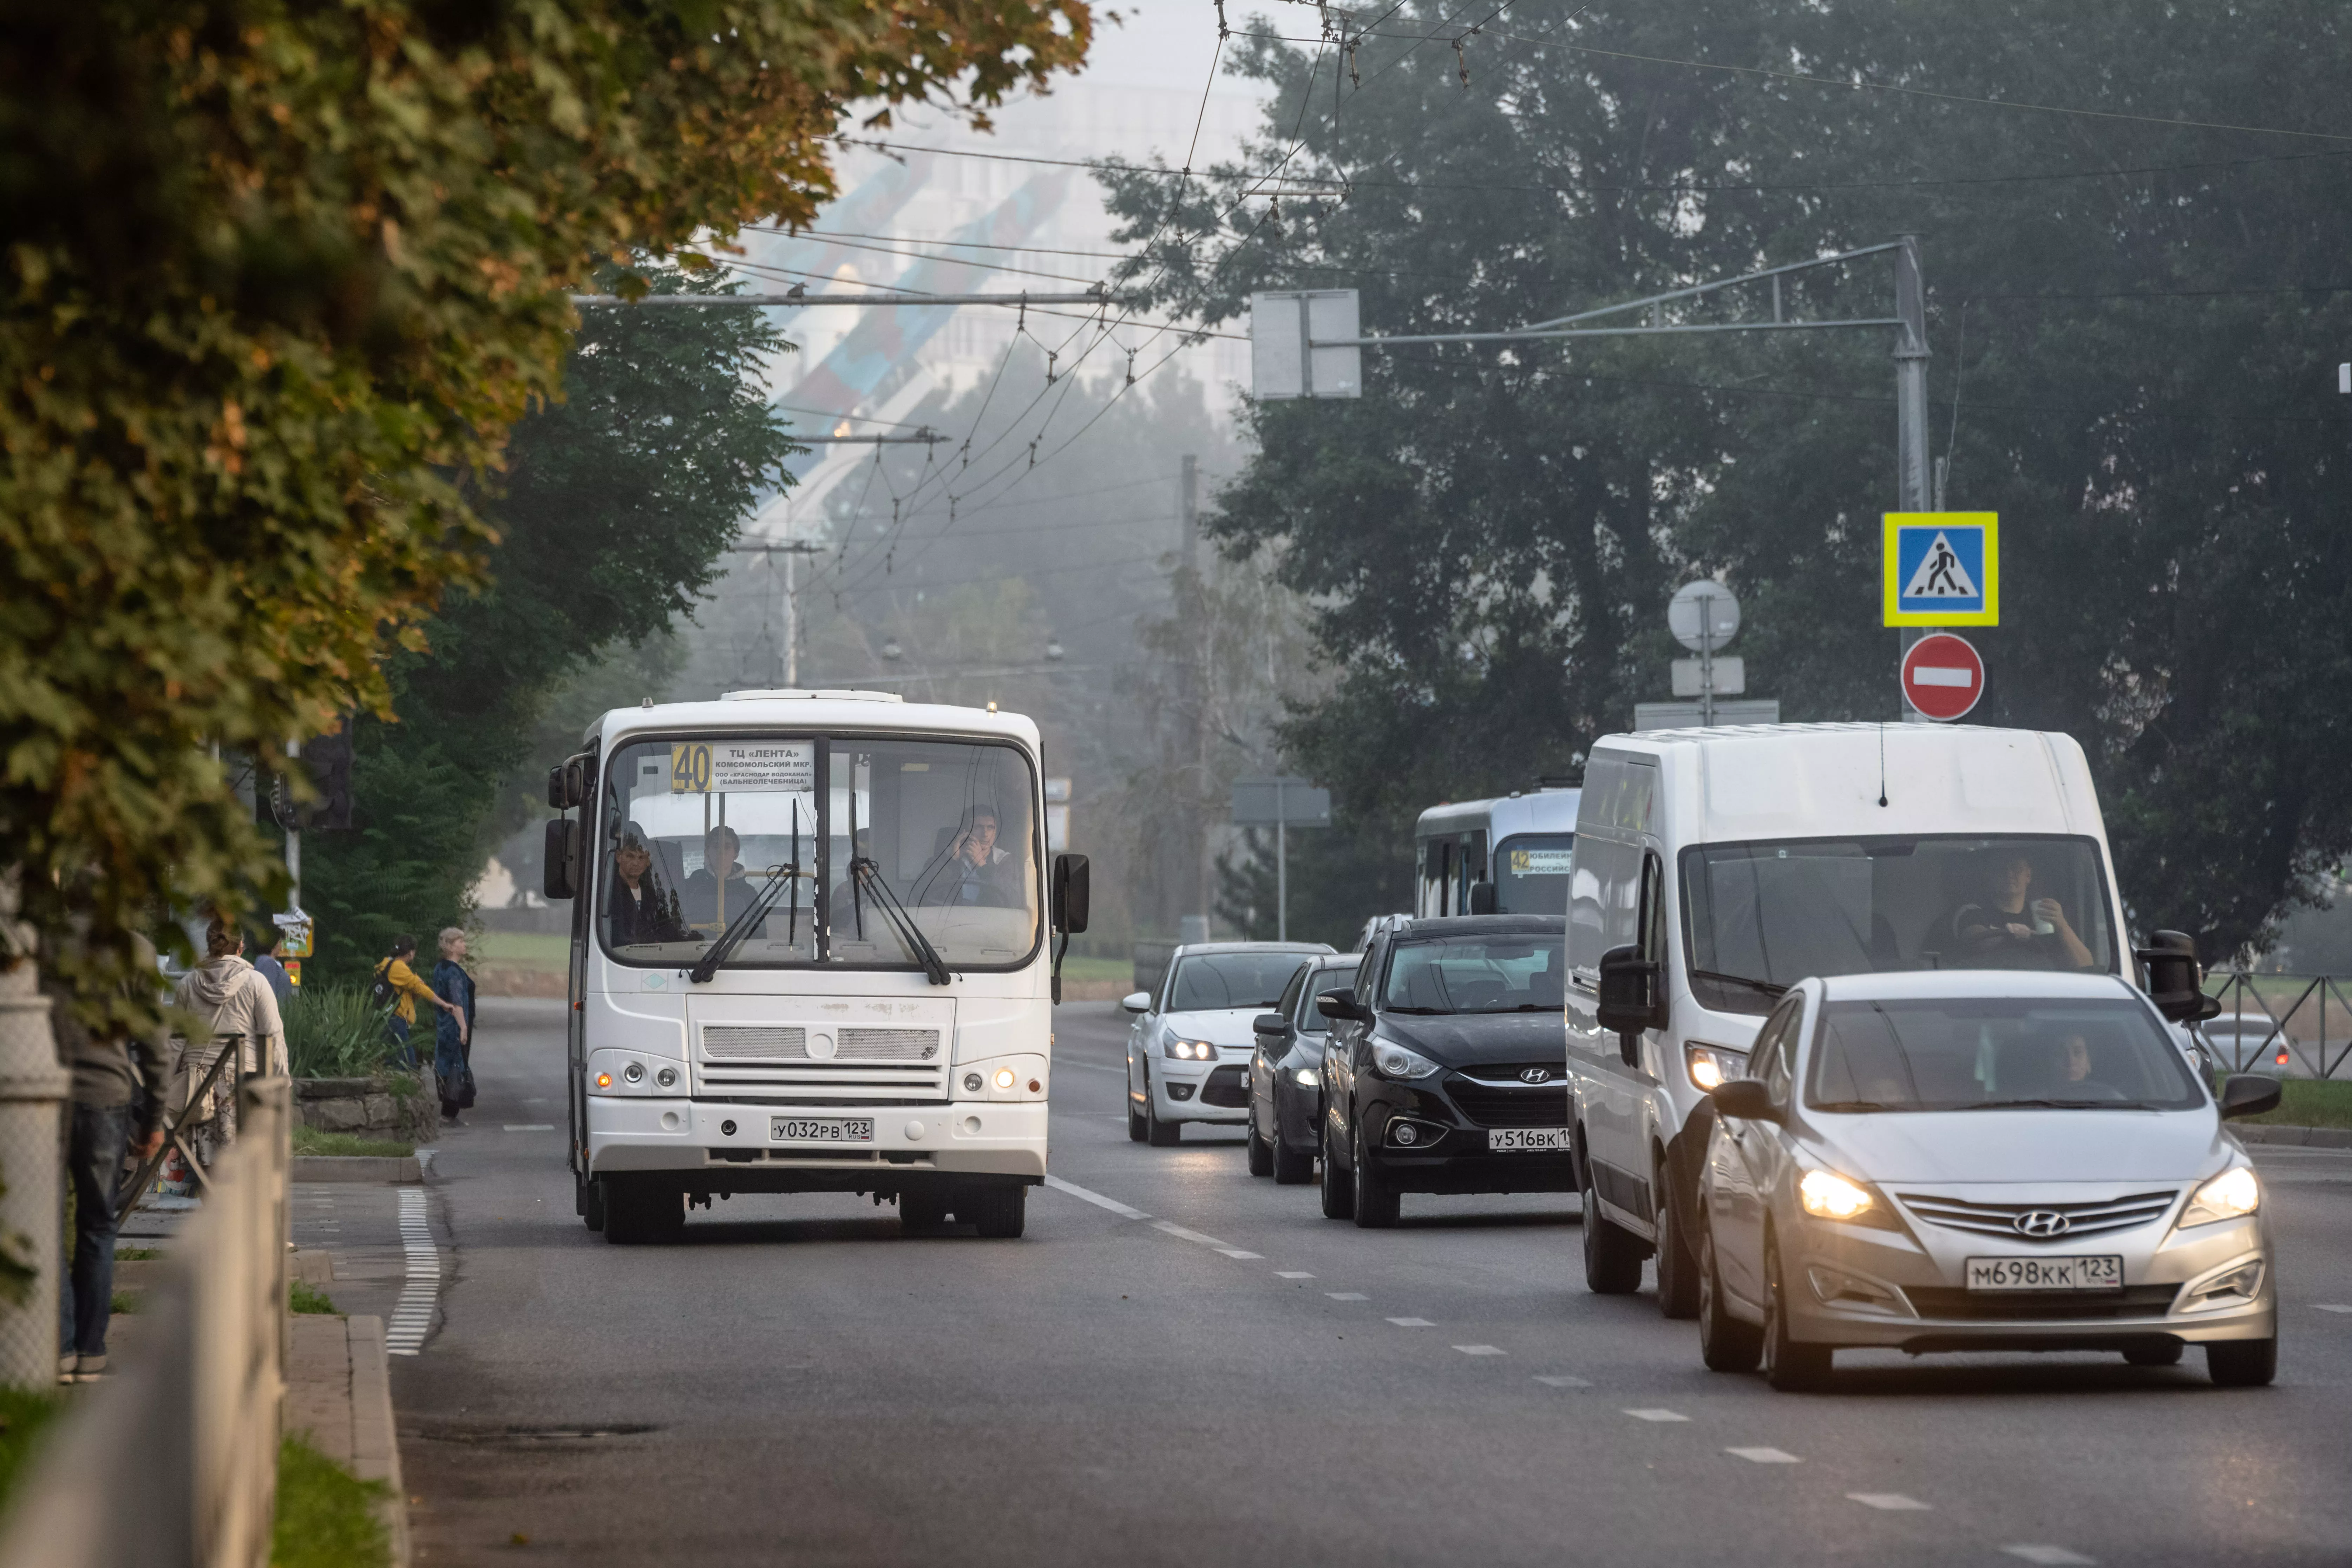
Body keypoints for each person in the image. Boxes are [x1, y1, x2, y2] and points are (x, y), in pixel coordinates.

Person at [48, 930, 170, 1384]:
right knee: (99, 1224)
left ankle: (59, 1347)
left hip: (50, 1097)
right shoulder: (136, 949)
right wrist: (153, 1117)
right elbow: (155, 1043)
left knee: (49, 1222)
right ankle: (91, 1351)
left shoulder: (48, 945)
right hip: (107, 1098)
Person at [174, 917, 290, 1166]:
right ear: (241, 947)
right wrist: (282, 1080)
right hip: (240, 1082)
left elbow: (175, 1040)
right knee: (239, 1161)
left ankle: (205, 1194)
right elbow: (273, 1035)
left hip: (195, 1086)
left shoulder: (187, 984)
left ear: (209, 944)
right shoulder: (256, 982)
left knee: (202, 1167)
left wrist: (164, 1082)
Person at [1947, 851, 2095, 971]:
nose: (2009, 873)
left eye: (2016, 868)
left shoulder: (2044, 917)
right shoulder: (1972, 912)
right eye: (2001, 867)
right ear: (1989, 875)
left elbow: (2086, 965)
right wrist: (2009, 933)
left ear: (2028, 876)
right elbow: (1978, 939)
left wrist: (2062, 925)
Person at [373, 935, 461, 1067]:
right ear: (411, 952)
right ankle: (404, 1086)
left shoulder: (385, 964)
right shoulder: (398, 967)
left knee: (393, 1059)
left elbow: (406, 992)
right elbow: (421, 989)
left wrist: (415, 988)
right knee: (408, 1063)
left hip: (385, 1016)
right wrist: (444, 1004)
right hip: (396, 1018)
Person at [917, 805, 1015, 908]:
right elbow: (919, 894)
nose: (985, 834)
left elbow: (1013, 901)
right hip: (951, 919)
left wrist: (983, 866)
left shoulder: (1004, 860)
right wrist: (951, 861)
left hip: (989, 920)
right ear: (965, 832)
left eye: (990, 828)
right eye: (978, 827)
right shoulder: (944, 858)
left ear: (995, 833)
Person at [607, 825, 686, 946]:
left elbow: (663, 927)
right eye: (630, 856)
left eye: (641, 857)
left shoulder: (651, 895)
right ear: (619, 856)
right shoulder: (610, 892)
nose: (636, 863)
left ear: (648, 861)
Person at [430, 927, 477, 1124]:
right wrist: (464, 1027)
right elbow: (457, 1002)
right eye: (460, 942)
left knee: (447, 1064)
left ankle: (449, 1112)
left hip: (444, 1025)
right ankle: (449, 1114)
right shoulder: (454, 972)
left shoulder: (440, 968)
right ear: (450, 946)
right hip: (455, 1026)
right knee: (457, 1066)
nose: (464, 945)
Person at [680, 825, 761, 932]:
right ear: (707, 852)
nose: (721, 851)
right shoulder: (690, 887)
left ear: (736, 855)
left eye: (727, 847)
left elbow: (758, 936)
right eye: (716, 846)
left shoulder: (749, 893)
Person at [248, 928, 294, 1007]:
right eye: (280, 942)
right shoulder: (266, 962)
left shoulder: (267, 962)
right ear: (274, 943)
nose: (282, 946)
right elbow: (267, 996)